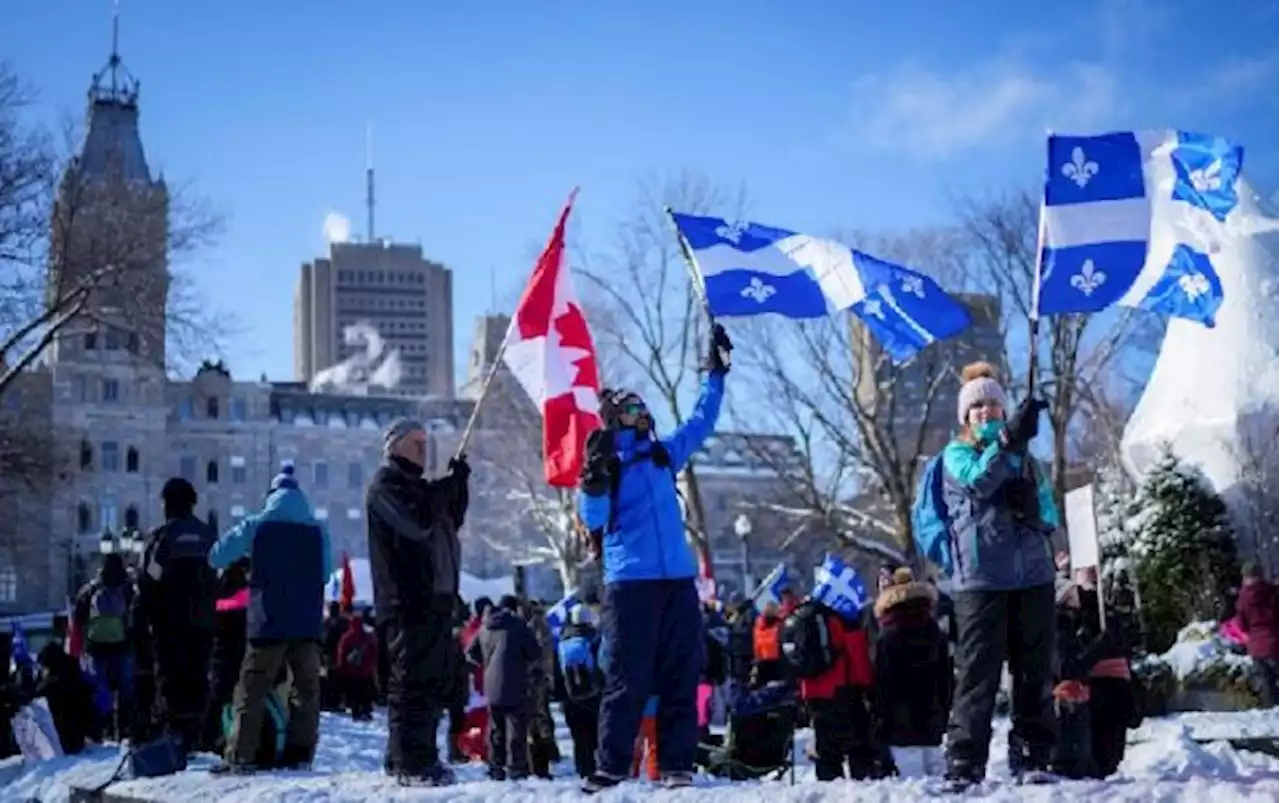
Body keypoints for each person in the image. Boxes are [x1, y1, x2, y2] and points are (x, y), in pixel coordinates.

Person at [577, 324, 731, 793]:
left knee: (682, 672)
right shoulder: (609, 461)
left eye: (642, 406)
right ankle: (612, 765)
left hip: (678, 580)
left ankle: (676, 764)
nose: (640, 412)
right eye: (629, 408)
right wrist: (593, 480)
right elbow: (594, 518)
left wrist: (716, 375)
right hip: (631, 583)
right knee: (628, 675)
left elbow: (701, 422)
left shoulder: (664, 455)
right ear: (613, 418)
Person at [940, 362, 1058, 789]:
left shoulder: (1028, 460)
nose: (986, 411)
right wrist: (1008, 443)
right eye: (977, 406)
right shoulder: (955, 455)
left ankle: (1033, 754)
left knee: (1034, 672)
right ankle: (965, 761)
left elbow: (1049, 514)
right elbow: (977, 483)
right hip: (981, 581)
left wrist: (1033, 510)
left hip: (1033, 577)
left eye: (993, 403)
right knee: (978, 674)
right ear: (965, 416)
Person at [366, 417, 470, 787]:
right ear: (394, 446)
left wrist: (458, 487)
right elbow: (418, 522)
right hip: (406, 600)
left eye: (426, 444)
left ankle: (411, 755)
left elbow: (447, 520)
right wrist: (443, 489)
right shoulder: (386, 486)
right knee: (410, 682)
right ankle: (412, 761)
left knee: (431, 683)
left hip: (436, 599)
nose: (423, 451)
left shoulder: (421, 488)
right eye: (416, 444)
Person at [209, 462, 331, 773]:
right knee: (305, 692)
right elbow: (326, 573)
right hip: (306, 623)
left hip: (268, 620)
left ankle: (241, 755)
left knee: (252, 688)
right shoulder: (317, 530)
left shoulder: (258, 524)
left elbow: (217, 556)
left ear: (271, 494)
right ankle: (299, 754)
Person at [137, 477, 218, 751]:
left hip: (169, 623)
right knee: (198, 676)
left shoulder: (163, 537)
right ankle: (199, 735)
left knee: (171, 678)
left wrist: (145, 618)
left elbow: (149, 579)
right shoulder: (208, 535)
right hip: (204, 623)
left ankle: (174, 735)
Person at [873, 567, 950, 779]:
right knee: (938, 779)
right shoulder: (936, 631)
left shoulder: (888, 636)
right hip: (933, 716)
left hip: (900, 722)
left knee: (911, 784)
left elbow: (882, 683)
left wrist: (879, 720)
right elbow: (946, 678)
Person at [466, 595, 541, 780]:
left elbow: (470, 653)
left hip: (490, 684)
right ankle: (516, 768)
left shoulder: (485, 626)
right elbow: (535, 651)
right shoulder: (518, 625)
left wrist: (488, 663)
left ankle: (495, 767)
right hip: (515, 682)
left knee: (495, 728)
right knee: (516, 728)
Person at [73, 551, 137, 741]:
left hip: (95, 646)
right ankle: (125, 729)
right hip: (123, 646)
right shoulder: (128, 588)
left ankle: (104, 728)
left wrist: (80, 645)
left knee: (101, 689)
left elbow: (79, 618)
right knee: (126, 688)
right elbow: (136, 616)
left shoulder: (90, 589)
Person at [557, 607, 603, 778]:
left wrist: (561, 696)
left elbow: (555, 673)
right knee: (596, 733)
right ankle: (599, 768)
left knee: (579, 736)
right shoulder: (594, 639)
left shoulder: (562, 642)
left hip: (570, 698)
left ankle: (583, 769)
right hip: (593, 696)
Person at [1236, 562, 1280, 701]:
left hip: (1256, 649)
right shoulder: (1274, 592)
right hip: (1276, 644)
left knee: (1268, 691)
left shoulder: (1242, 599)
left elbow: (1241, 625)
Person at [337, 611, 380, 721]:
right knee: (365, 692)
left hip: (351, 671)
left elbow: (342, 653)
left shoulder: (347, 636)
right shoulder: (367, 636)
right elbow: (374, 652)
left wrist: (341, 667)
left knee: (354, 692)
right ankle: (366, 711)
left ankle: (356, 712)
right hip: (366, 671)